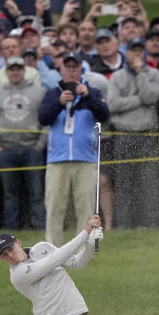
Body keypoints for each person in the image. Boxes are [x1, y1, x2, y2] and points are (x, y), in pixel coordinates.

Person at [39, 54, 109, 246]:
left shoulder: (92, 93)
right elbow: (43, 118)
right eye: (67, 67)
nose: (71, 70)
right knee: (54, 208)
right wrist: (59, 103)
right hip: (57, 160)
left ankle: (83, 249)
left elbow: (104, 115)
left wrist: (86, 96)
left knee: (85, 209)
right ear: (61, 70)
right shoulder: (52, 94)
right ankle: (52, 249)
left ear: (81, 70)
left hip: (85, 159)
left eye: (75, 67)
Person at [107, 37, 159, 229]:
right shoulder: (117, 77)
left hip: (148, 134)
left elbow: (151, 97)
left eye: (140, 50)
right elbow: (113, 105)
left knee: (150, 183)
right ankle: (124, 226)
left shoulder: (154, 74)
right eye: (133, 50)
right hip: (124, 134)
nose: (137, 54)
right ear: (127, 52)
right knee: (125, 184)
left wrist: (141, 73)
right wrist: (139, 100)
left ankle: (151, 225)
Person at [0, 56, 47, 231]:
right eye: (11, 69)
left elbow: (46, 121)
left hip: (32, 149)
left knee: (36, 192)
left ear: (24, 71)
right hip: (6, 150)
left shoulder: (38, 91)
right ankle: (10, 229)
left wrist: (40, 145)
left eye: (18, 69)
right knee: (9, 194)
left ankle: (40, 227)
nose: (15, 72)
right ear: (6, 72)